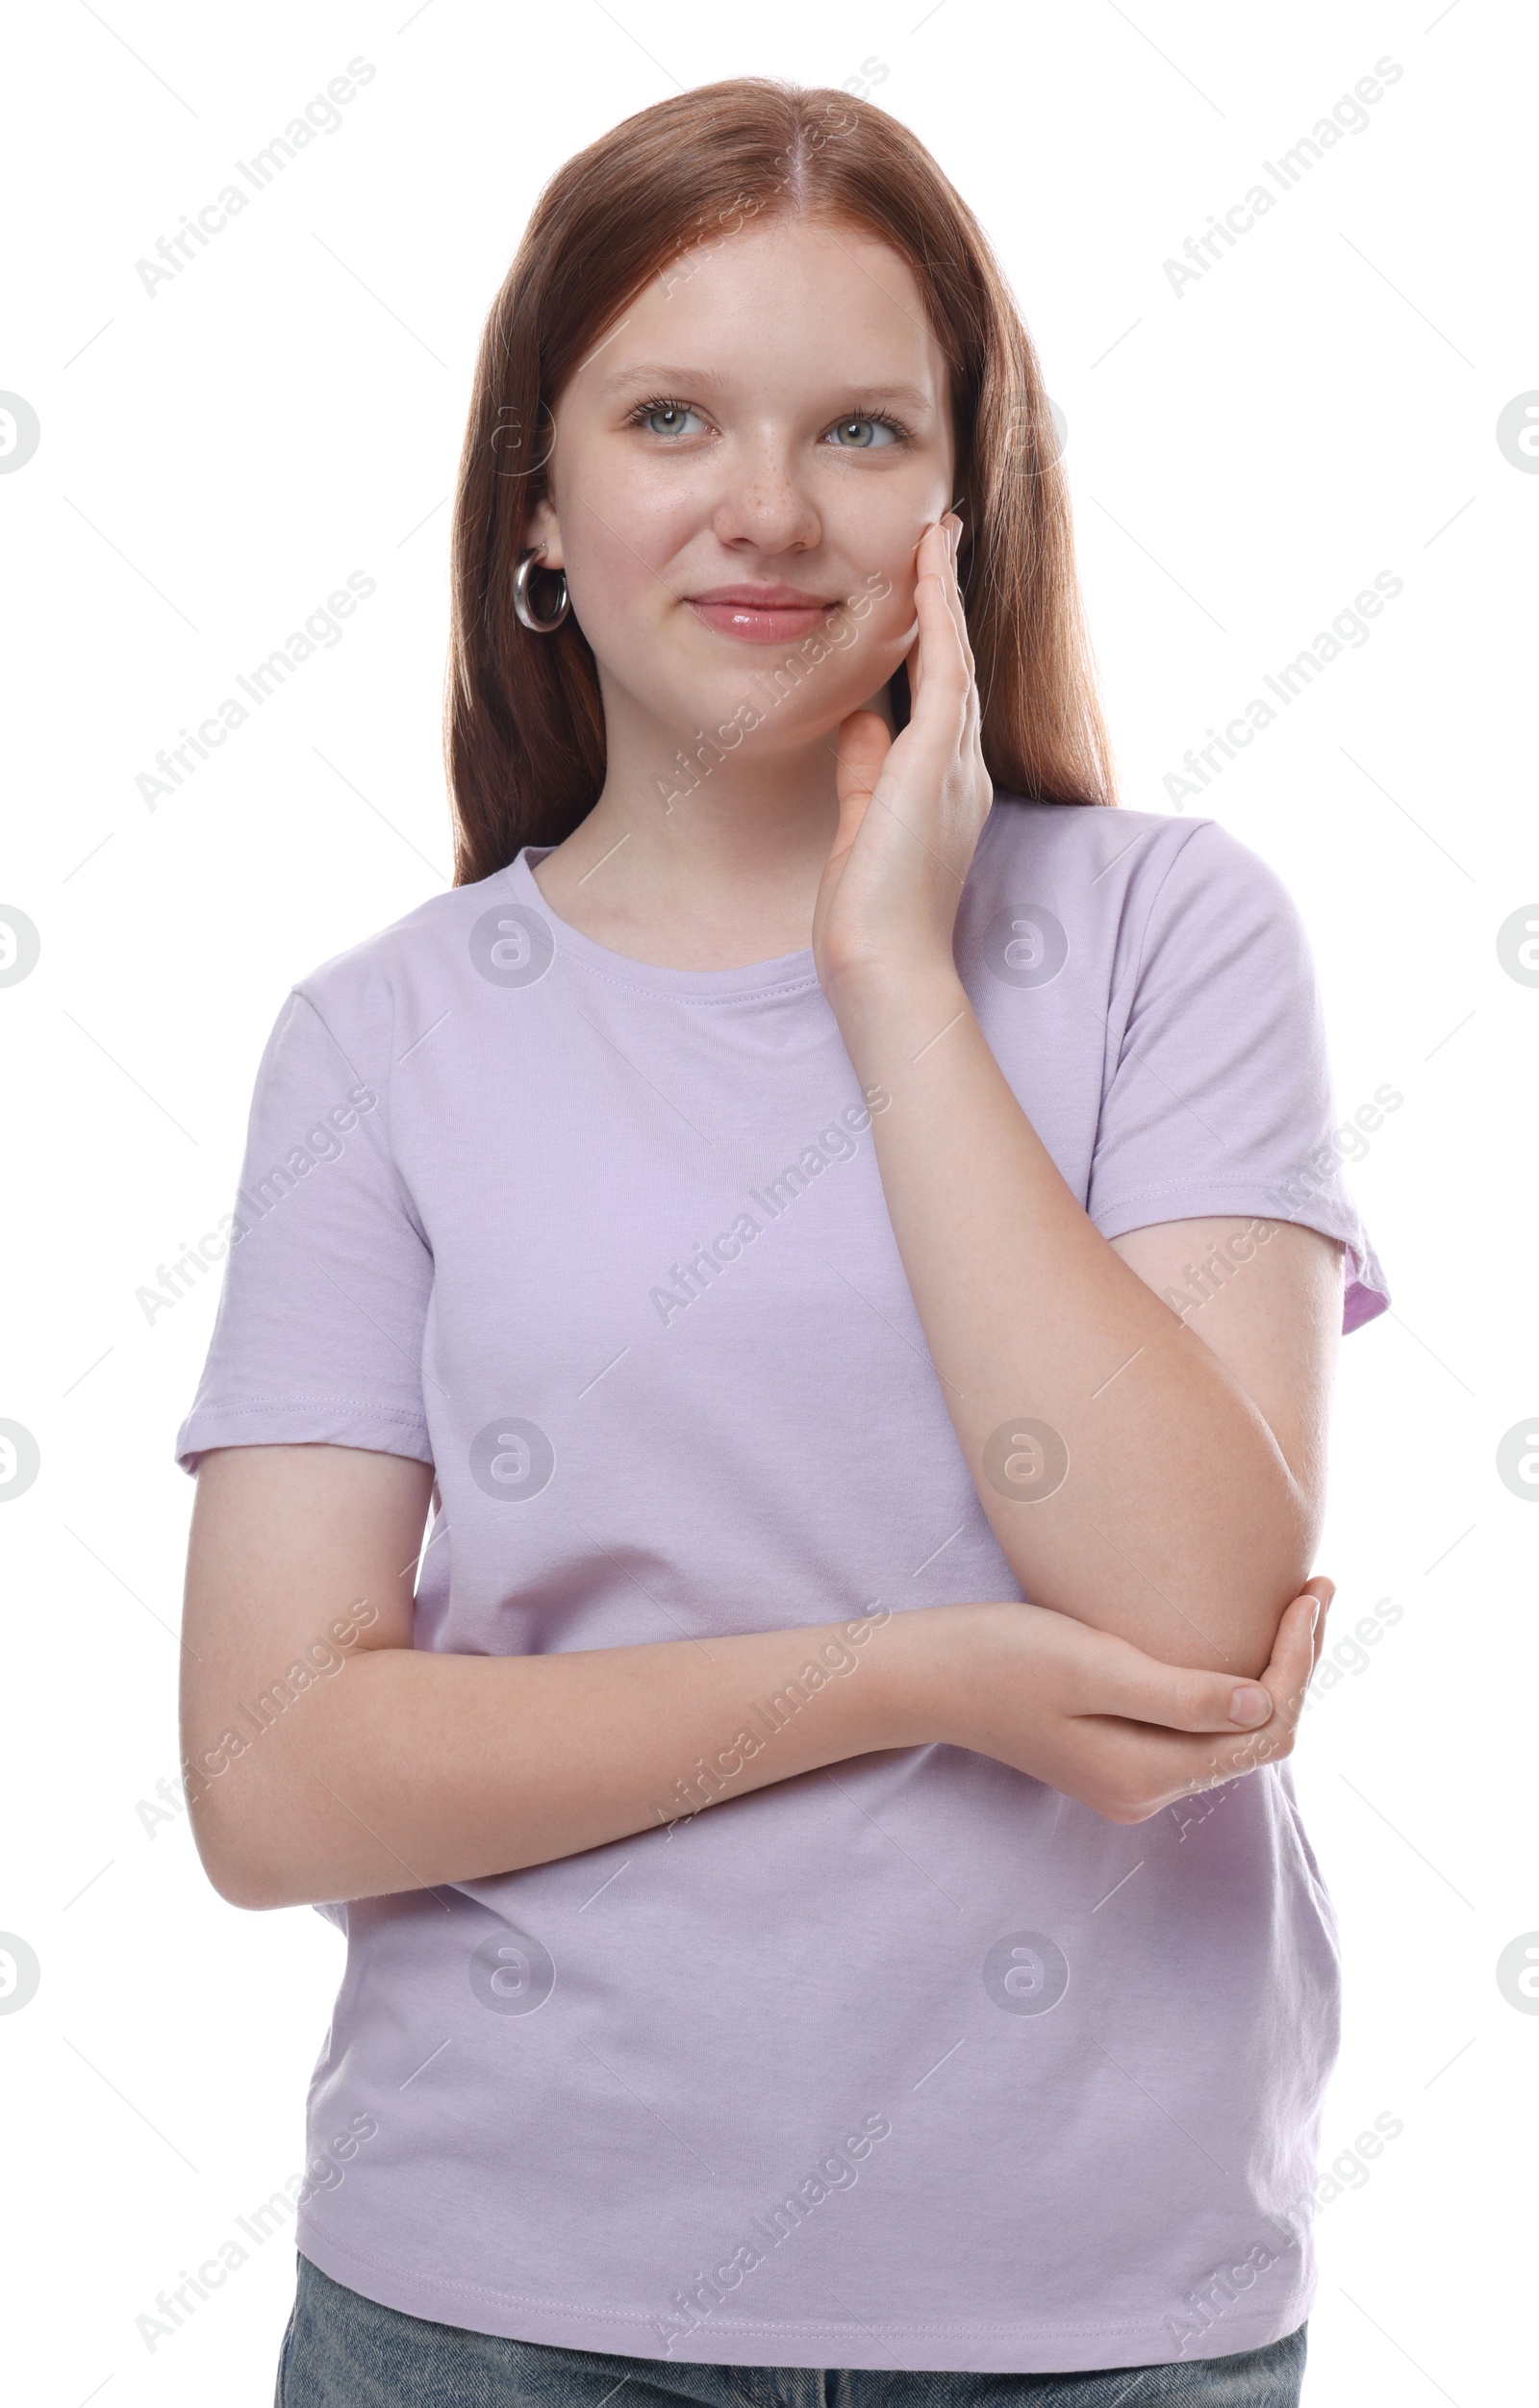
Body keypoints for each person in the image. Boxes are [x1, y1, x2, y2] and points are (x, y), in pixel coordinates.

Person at [175, 78, 1387, 2408]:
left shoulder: (1167, 938)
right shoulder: (381, 1040)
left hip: (1096, 2315)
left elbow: (1193, 1617)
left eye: (854, 428)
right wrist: (913, 1677)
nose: (762, 508)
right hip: (503, 2310)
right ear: (538, 500)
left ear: (961, 501)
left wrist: (897, 983)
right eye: (667, 416)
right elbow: (274, 1774)